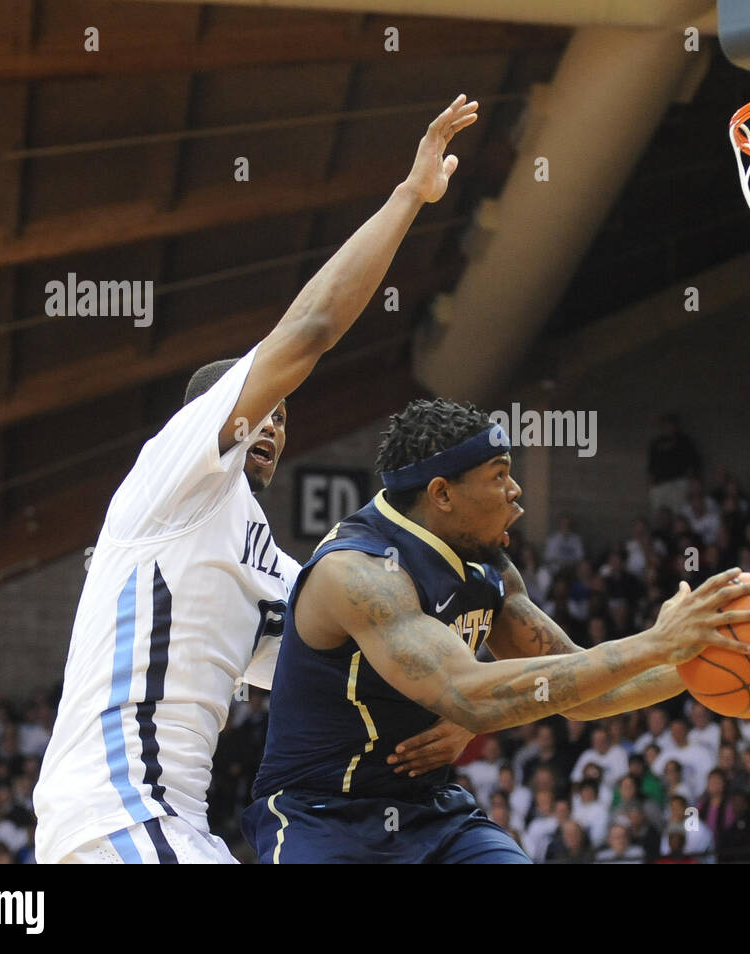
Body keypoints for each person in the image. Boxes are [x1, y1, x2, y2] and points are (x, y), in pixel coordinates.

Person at [32, 95, 480, 865]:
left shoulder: (269, 564)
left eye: (283, 415)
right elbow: (310, 332)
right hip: (117, 812)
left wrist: (469, 704)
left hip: (171, 826)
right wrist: (409, 198)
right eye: (261, 407)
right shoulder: (173, 473)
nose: (272, 422)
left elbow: (366, 655)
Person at [242, 399, 750, 863]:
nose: (516, 492)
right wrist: (652, 642)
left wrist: (704, 663)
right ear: (441, 494)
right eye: (498, 475)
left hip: (430, 812)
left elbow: (581, 694)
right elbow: (467, 695)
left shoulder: (489, 565)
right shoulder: (357, 571)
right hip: (321, 814)